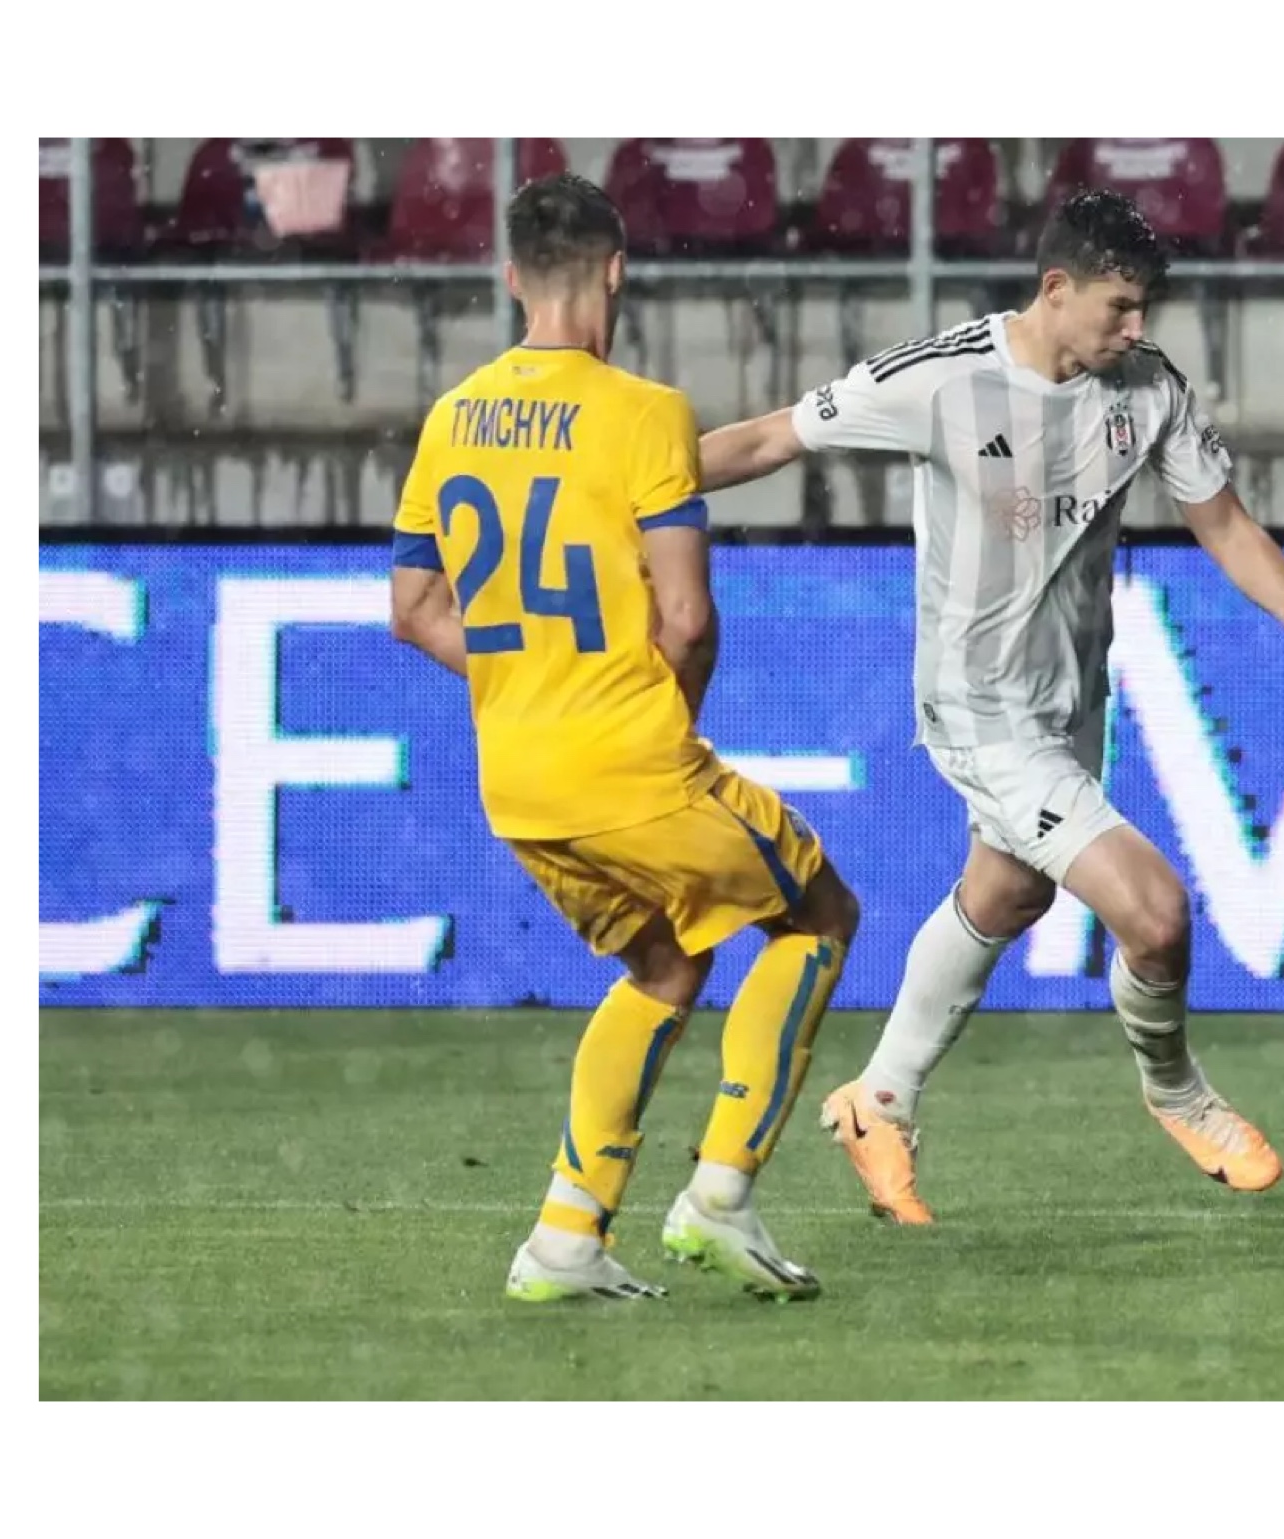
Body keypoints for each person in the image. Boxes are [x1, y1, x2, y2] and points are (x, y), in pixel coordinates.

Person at [697, 188, 1284, 1226]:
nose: (1136, 328)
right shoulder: (941, 380)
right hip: (976, 706)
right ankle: (1177, 1092)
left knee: (1010, 891)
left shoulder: (1145, 388)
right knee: (1154, 913)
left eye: (1145, 308)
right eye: (1119, 306)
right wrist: (616, 492)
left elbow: (1224, 524)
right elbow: (768, 440)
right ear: (1055, 288)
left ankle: (878, 1102)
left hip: (1069, 695)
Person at [389, 173, 859, 1301]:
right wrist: (661, 712)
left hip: (517, 779)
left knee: (664, 964)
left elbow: (412, 610)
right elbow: (685, 617)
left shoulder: (452, 417)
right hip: (629, 760)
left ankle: (564, 1236)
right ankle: (721, 1190)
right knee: (818, 915)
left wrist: (530, 673)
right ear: (616, 269)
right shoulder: (645, 412)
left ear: (511, 277)